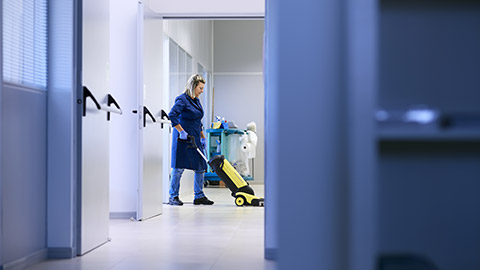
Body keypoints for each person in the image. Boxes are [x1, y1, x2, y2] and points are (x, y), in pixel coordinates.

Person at [167, 74, 214, 206]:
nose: (202, 91)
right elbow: (172, 115)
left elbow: (198, 121)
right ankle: (173, 196)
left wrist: (203, 137)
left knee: (200, 167)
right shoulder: (182, 99)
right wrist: (181, 131)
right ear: (193, 86)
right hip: (183, 138)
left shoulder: (196, 100)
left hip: (195, 138)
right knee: (178, 168)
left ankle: (199, 196)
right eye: (200, 88)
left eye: (203, 88)